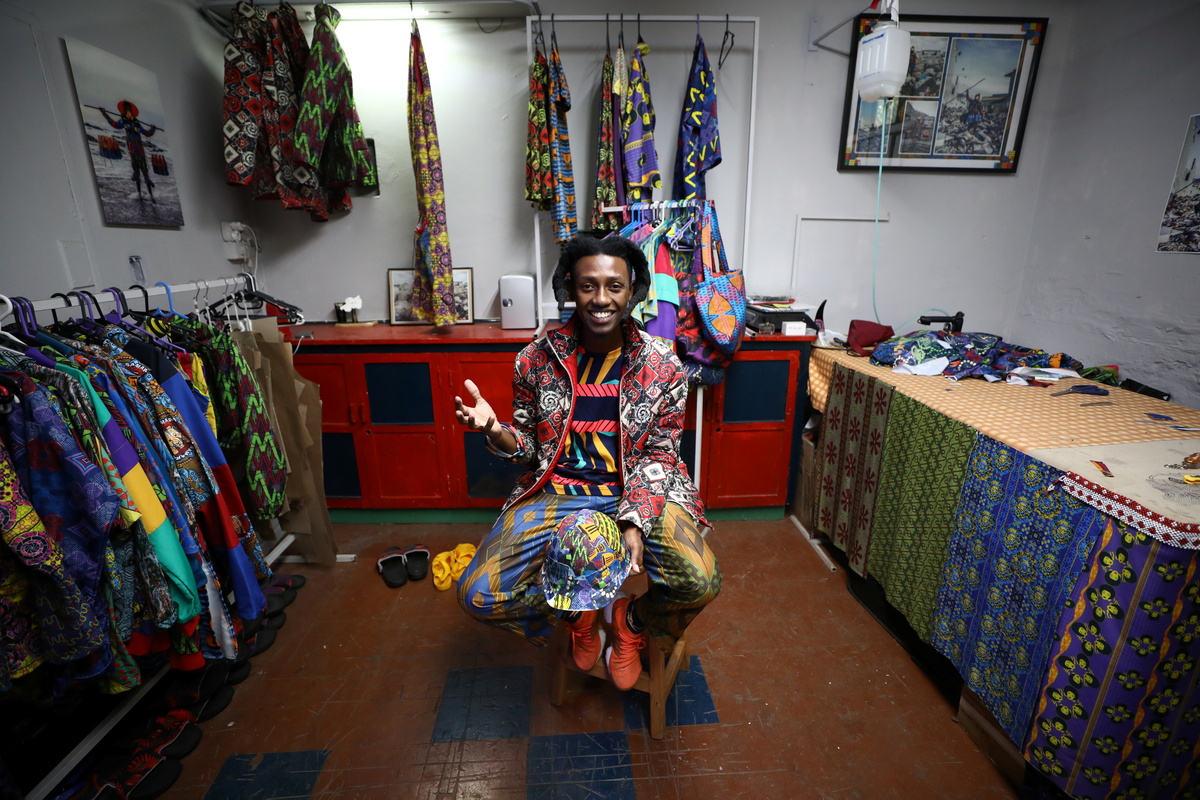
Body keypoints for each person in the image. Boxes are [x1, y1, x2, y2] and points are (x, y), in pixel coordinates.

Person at [453, 234, 721, 690]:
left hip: (637, 489)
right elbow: (529, 450)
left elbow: (661, 452)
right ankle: (578, 614)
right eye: (587, 286)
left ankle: (631, 622)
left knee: (701, 581)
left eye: (614, 286)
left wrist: (635, 520)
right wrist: (495, 431)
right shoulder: (535, 360)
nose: (601, 299)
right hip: (557, 493)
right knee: (477, 595)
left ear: (633, 290)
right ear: (569, 289)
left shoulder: (662, 364)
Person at [99, 100, 158, 202]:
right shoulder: (123, 121)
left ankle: (151, 196)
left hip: (140, 151)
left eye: (129, 110)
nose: (128, 112)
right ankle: (139, 194)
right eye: (126, 110)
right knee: (137, 172)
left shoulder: (137, 123)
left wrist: (153, 129)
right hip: (133, 152)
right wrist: (104, 113)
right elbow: (114, 124)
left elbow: (147, 133)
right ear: (125, 112)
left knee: (145, 172)